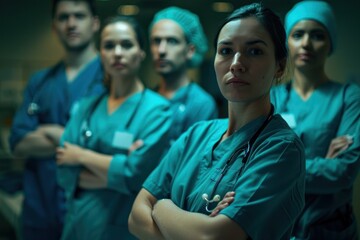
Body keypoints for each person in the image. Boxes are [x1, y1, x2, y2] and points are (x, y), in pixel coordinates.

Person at [128, 3, 306, 240]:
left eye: (254, 51)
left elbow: (214, 236)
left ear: (280, 66)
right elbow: (135, 218)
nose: (236, 64)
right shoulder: (197, 134)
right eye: (225, 51)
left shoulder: (281, 148)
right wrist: (193, 228)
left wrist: (162, 207)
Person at [56, 15, 172, 240]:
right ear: (100, 54)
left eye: (126, 45)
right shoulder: (86, 108)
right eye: (109, 46)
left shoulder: (157, 110)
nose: (117, 52)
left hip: (120, 228)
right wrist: (118, 173)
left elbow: (136, 175)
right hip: (77, 225)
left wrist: (80, 155)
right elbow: (62, 168)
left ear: (141, 52)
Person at [8, 0, 104, 239]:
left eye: (79, 16)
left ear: (94, 24)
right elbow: (18, 143)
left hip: (90, 211)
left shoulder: (110, 79)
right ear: (54, 27)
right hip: (39, 209)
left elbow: (103, 145)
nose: (71, 23)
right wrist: (73, 138)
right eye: (63, 17)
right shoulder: (40, 82)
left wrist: (49, 131)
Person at [270, 1, 360, 239]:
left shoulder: (349, 97)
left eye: (317, 35)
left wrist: (282, 169)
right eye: (298, 34)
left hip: (330, 228)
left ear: (330, 43)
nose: (306, 43)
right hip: (278, 227)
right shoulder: (272, 97)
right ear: (287, 43)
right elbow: (256, 166)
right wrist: (324, 163)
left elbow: (343, 172)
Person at [149, 6, 218, 142]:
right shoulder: (146, 98)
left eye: (172, 41)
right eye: (156, 41)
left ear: (190, 50)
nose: (161, 50)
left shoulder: (201, 104)